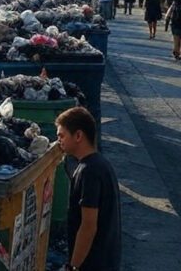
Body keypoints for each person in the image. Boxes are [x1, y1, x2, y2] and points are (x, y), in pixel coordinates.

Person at [56, 107, 121, 271]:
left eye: (62, 135)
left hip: (92, 263)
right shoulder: (102, 164)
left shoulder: (88, 172)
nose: (59, 141)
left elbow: (88, 226)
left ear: (78, 136)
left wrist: (73, 266)